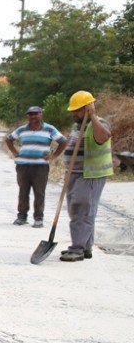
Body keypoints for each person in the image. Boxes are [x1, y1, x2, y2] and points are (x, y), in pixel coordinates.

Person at [60, 90, 112, 262]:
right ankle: (86, 247)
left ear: (88, 108)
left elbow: (104, 136)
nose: (74, 113)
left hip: (90, 174)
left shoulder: (98, 123)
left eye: (78, 110)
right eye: (73, 110)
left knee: (81, 209)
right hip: (74, 174)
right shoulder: (77, 126)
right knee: (80, 210)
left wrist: (94, 116)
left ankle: (77, 248)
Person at [4, 105, 66, 228]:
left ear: (41, 114)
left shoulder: (49, 129)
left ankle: (38, 218)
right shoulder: (22, 130)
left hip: (40, 167)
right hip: (23, 166)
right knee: (23, 192)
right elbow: (8, 139)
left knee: (39, 193)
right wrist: (15, 153)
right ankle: (22, 217)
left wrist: (54, 155)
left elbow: (63, 141)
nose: (33, 116)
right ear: (28, 116)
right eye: (30, 114)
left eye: (35, 114)